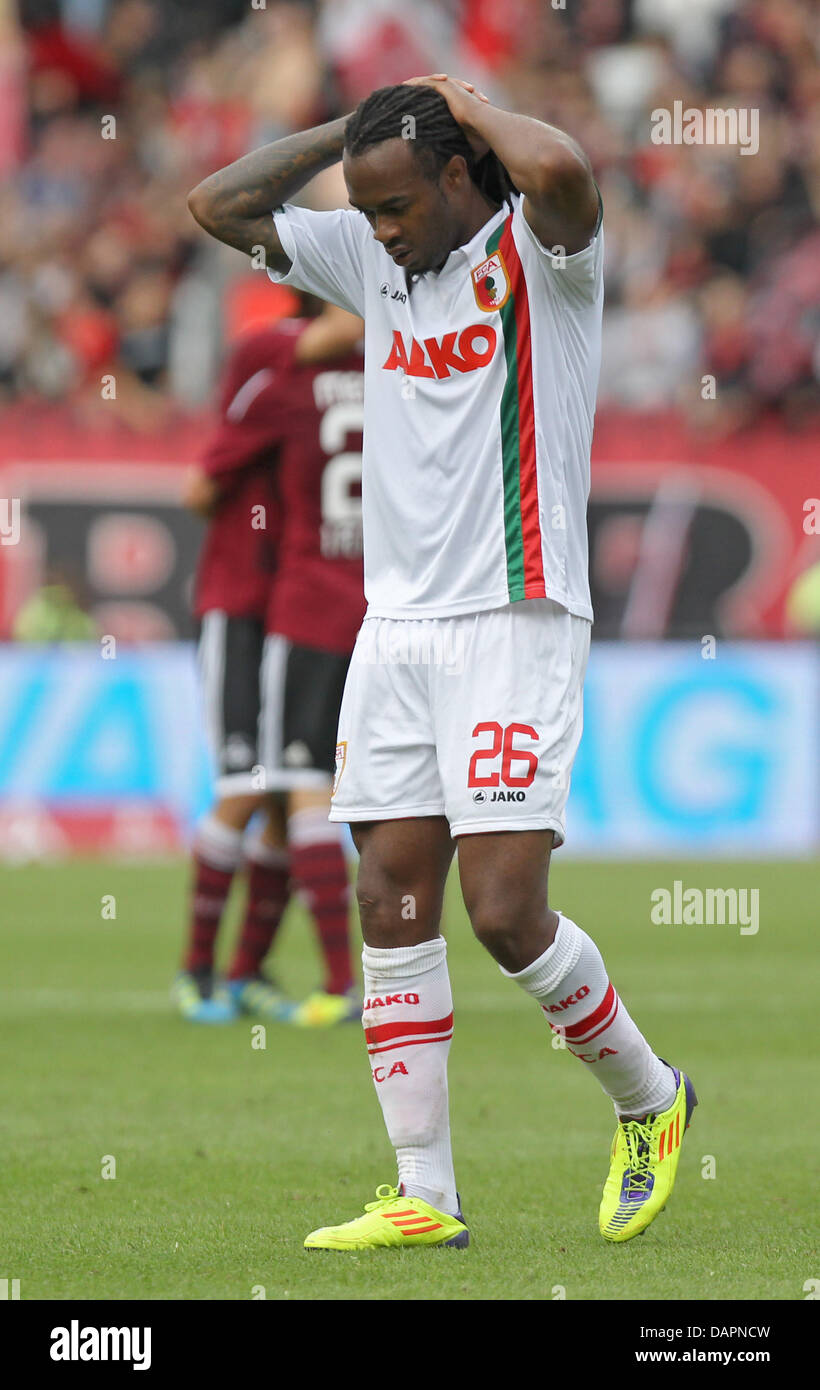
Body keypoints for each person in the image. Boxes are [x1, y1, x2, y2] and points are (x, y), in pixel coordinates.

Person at [187, 75, 697, 1247]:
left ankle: (651, 1099)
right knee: (389, 896)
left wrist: (461, 101)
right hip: (396, 630)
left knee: (505, 912)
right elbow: (217, 203)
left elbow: (565, 170)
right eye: (363, 211)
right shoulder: (370, 260)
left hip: (515, 613)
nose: (380, 230)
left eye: (398, 204)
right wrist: (351, 132)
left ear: (463, 171)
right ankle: (424, 1190)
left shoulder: (543, 250)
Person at [174, 300, 365, 1027]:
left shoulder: (329, 374)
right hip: (241, 599)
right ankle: (195, 974)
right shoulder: (275, 359)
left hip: (293, 601)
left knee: (287, 796)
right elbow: (199, 486)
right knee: (248, 784)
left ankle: (245, 971)